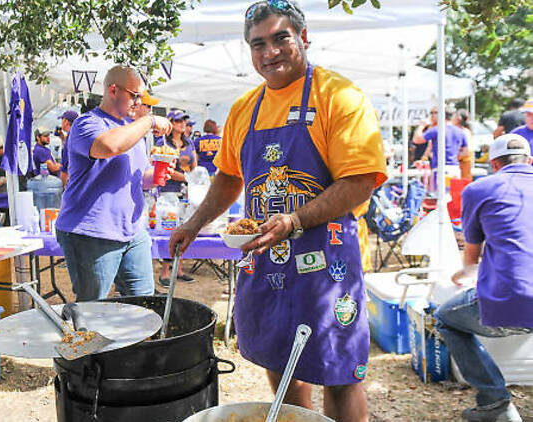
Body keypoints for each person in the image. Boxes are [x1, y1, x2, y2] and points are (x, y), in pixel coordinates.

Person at [169, 2, 387, 420]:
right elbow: (230, 177)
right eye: (258, 44)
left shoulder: (339, 96)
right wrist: (194, 224)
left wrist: (295, 220)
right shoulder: (243, 109)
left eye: (280, 38)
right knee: (280, 361)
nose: (270, 52)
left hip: (327, 260)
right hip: (264, 255)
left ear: (303, 38)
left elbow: (360, 178)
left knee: (339, 370)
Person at [435, 133, 533, 422]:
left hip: (513, 297)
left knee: (445, 317)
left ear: (493, 163)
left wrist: (463, 273)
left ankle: (495, 403)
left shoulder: (481, 189)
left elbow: (472, 255)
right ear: (529, 160)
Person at [55, 65, 172, 301]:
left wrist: (155, 176)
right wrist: (148, 121)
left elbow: (137, 176)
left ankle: (134, 339)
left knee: (143, 303)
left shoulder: (130, 130)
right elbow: (109, 147)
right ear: (113, 90)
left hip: (132, 231)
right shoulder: (87, 123)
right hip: (90, 232)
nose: (138, 102)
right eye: (135, 95)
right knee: (92, 306)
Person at [157, 109, 198, 287]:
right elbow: (164, 169)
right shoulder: (163, 143)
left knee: (184, 228)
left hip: (185, 192)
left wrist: (190, 177)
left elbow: (194, 166)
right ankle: (165, 272)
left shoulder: (189, 142)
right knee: (170, 231)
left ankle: (179, 270)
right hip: (168, 192)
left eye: (184, 120)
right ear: (171, 123)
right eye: (179, 121)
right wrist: (187, 177)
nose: (183, 124)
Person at [415, 108, 469, 189]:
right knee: (453, 196)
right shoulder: (461, 132)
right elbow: (465, 153)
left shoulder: (437, 130)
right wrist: (452, 155)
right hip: (454, 168)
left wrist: (421, 126)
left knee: (438, 196)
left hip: (439, 168)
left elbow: (417, 139)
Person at [57, 110, 79, 186]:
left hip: (72, 179)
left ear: (66, 121)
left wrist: (63, 187)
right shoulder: (77, 134)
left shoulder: (70, 137)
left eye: (62, 120)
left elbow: (65, 167)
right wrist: (62, 139)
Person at [452, 108, 474, 180]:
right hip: (461, 161)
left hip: (464, 163)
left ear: (458, 119)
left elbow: (467, 151)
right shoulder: (465, 131)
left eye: (454, 117)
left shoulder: (464, 132)